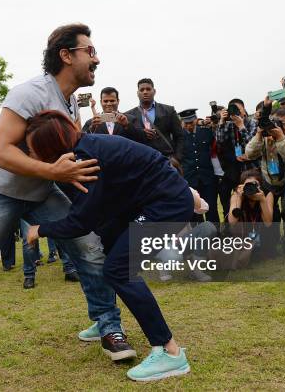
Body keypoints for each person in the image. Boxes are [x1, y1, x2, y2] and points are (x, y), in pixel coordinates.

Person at [0, 23, 130, 373]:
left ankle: (109, 326)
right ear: (66, 55)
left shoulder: (68, 103)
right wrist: (55, 173)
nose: (97, 59)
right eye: (90, 51)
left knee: (90, 250)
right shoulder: (29, 93)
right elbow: (2, 152)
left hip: (40, 192)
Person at [25, 111, 193, 382]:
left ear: (50, 148)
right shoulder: (85, 147)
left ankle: (170, 352)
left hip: (166, 206)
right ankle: (107, 322)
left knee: (119, 269)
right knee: (110, 246)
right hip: (145, 203)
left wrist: (41, 229)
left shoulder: (85, 159)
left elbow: (81, 221)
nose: (32, 157)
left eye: (34, 151)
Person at [245, 101, 285, 221]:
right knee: (269, 212)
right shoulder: (267, 135)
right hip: (269, 181)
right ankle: (274, 237)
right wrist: (258, 135)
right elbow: (250, 154)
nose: (277, 126)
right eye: (275, 122)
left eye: (282, 123)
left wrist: (280, 138)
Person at [124, 78, 184, 159]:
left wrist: (177, 158)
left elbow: (179, 136)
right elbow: (128, 140)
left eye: (148, 89)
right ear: (137, 93)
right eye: (142, 90)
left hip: (166, 159)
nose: (145, 92)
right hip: (141, 160)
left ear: (154, 91)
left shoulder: (169, 110)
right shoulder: (129, 115)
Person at [178, 108, 219, 224]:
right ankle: (200, 237)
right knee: (195, 212)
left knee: (212, 209)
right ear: (182, 122)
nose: (189, 126)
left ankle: (215, 236)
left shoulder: (206, 131)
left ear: (196, 120)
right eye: (186, 123)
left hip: (208, 178)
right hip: (190, 179)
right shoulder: (179, 137)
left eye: (191, 122)